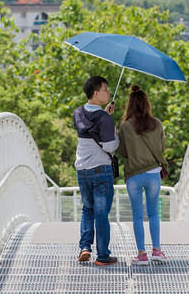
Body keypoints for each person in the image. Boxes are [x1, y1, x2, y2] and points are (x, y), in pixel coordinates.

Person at [116, 85, 170, 265]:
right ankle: (157, 250)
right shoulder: (157, 123)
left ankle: (141, 255)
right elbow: (161, 149)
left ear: (129, 105)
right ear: (147, 104)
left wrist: (118, 136)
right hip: (153, 173)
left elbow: (122, 153)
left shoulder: (125, 126)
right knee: (153, 213)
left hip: (134, 175)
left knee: (138, 215)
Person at [73, 75, 120, 266]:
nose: (108, 92)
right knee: (101, 214)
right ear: (96, 93)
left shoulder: (77, 112)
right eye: (105, 89)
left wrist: (105, 116)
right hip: (101, 170)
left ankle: (85, 247)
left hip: (82, 170)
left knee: (87, 209)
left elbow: (91, 126)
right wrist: (115, 134)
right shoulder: (104, 119)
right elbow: (109, 146)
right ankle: (102, 257)